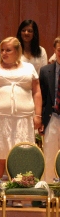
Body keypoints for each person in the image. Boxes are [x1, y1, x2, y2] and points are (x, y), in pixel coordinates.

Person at [0, 37, 42, 190]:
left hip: (22, 119)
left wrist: (38, 115)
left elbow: (37, 91)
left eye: (8, 50)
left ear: (17, 51)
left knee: (20, 157)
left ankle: (17, 192)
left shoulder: (28, 68)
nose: (4, 53)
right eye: (2, 50)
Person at [40, 37, 60, 182]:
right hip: (52, 117)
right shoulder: (45, 71)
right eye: (59, 50)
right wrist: (40, 119)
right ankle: (49, 193)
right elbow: (42, 98)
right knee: (49, 156)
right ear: (54, 50)